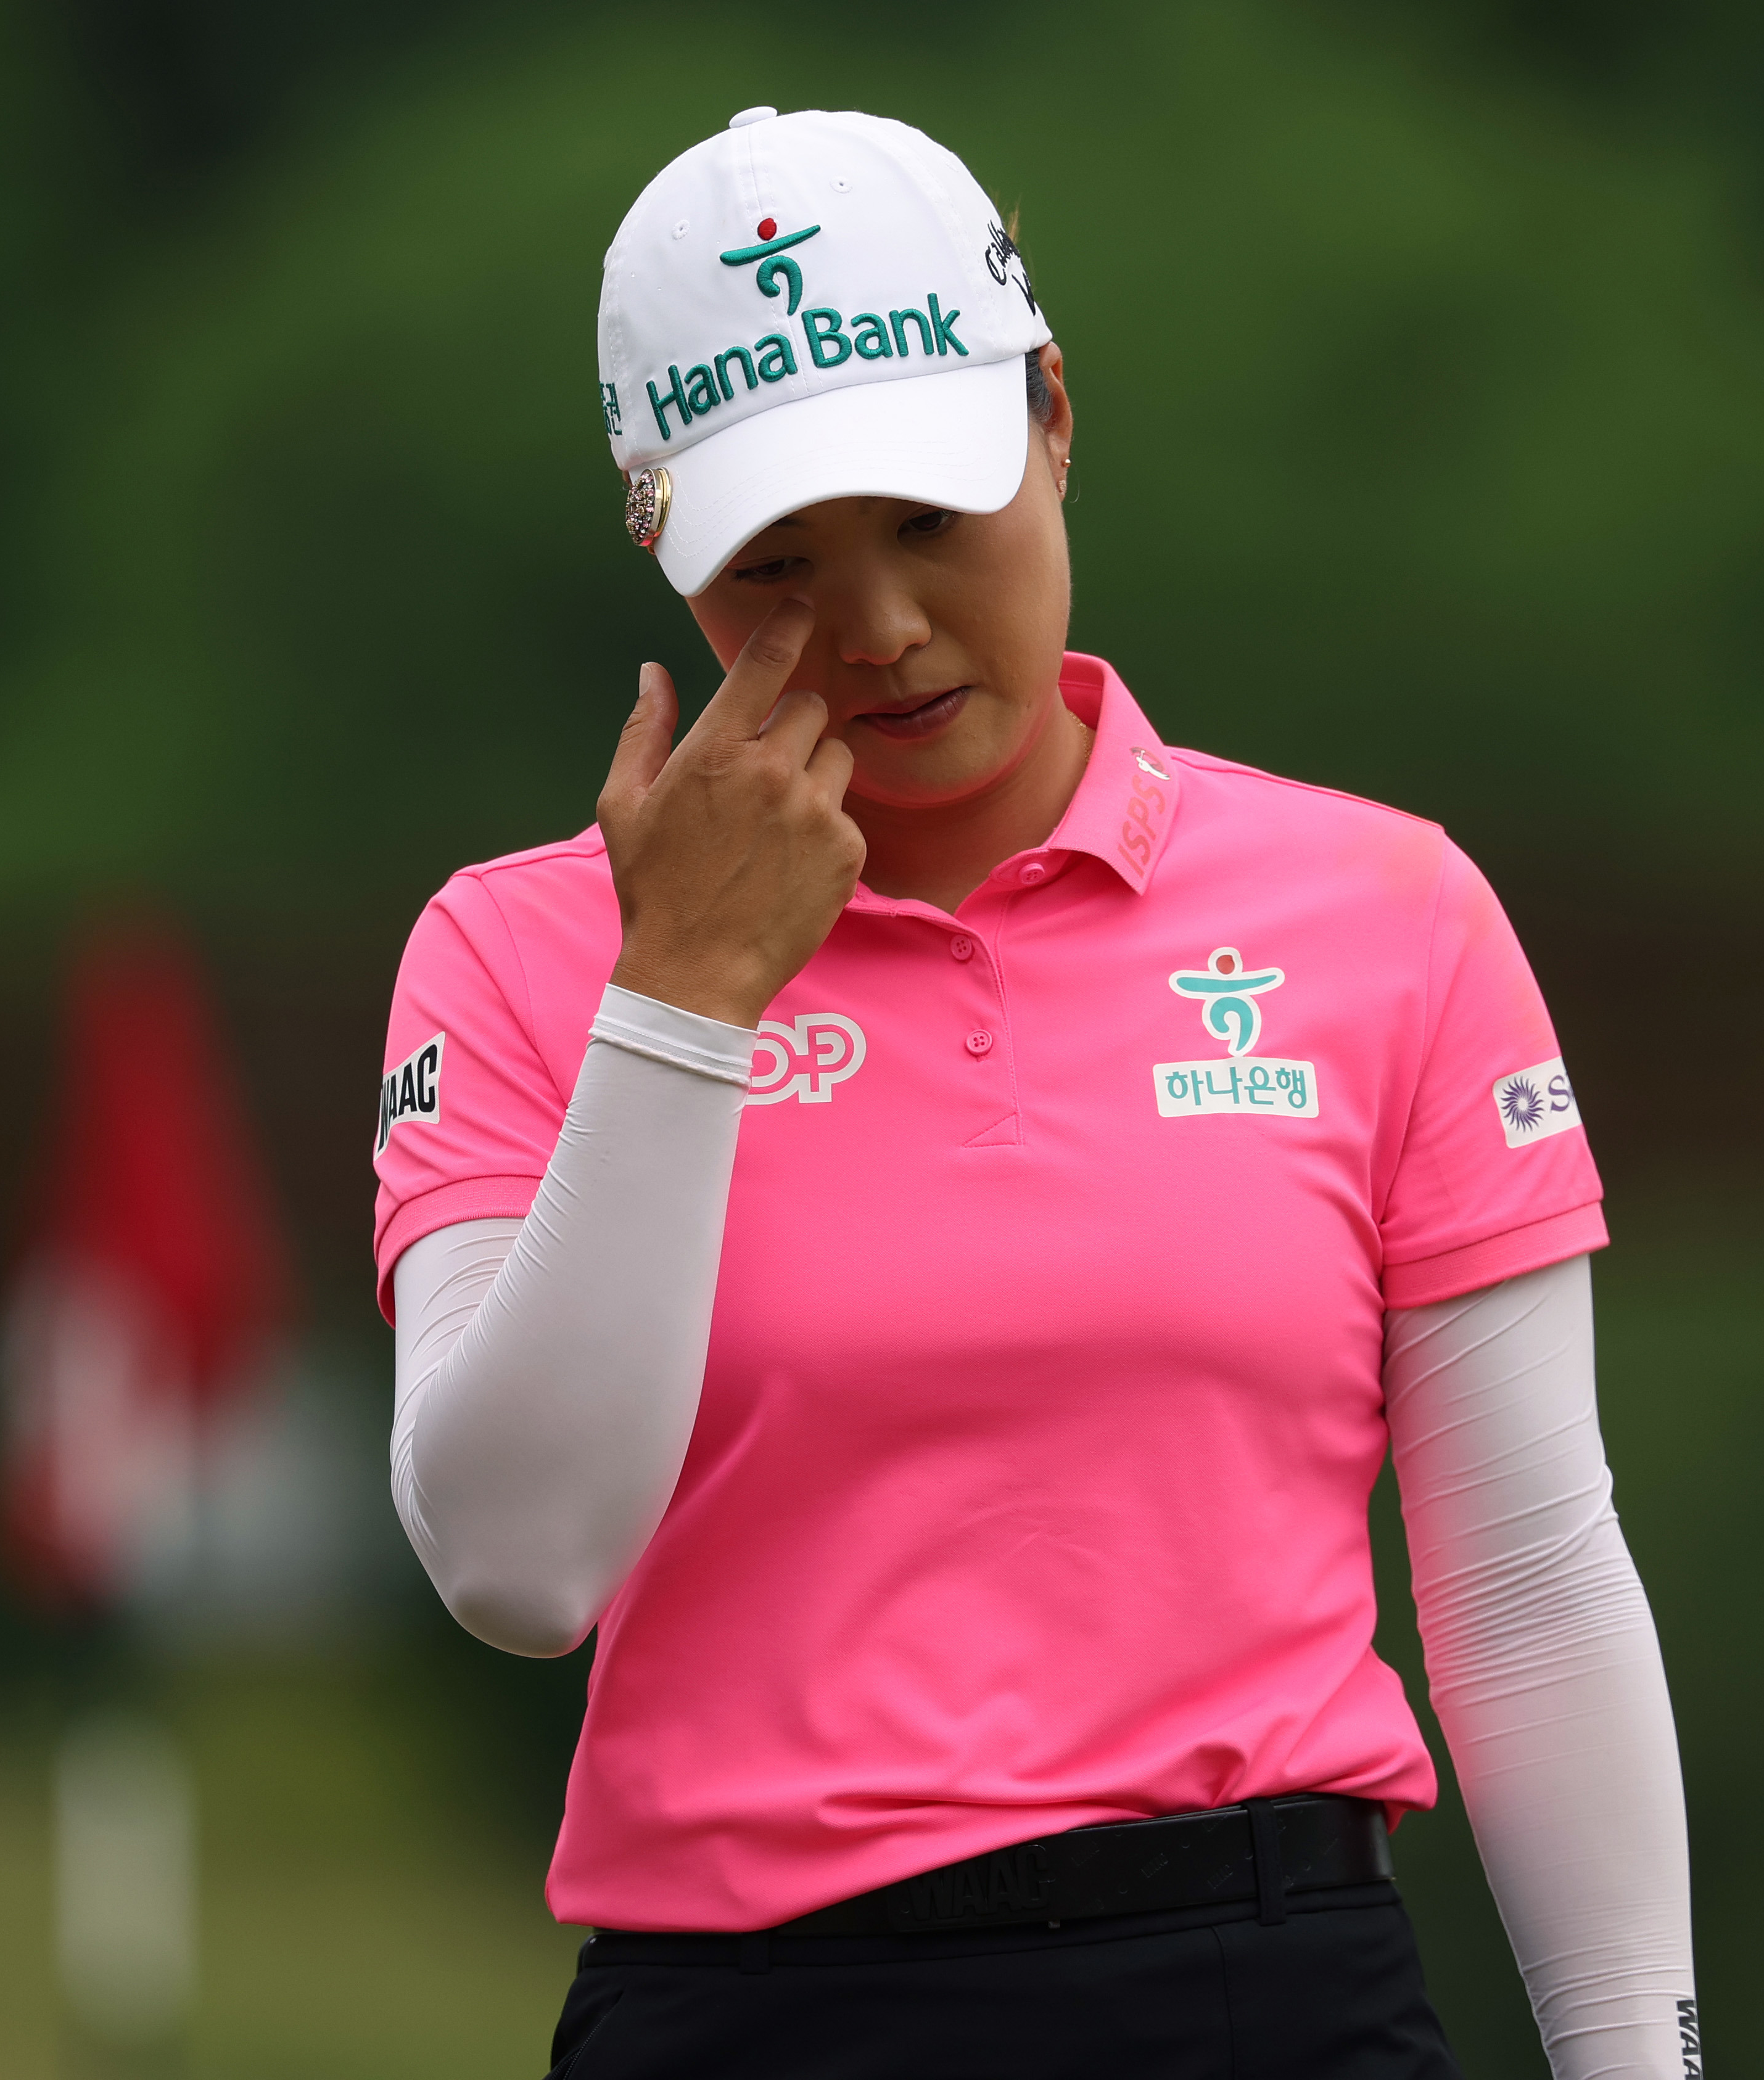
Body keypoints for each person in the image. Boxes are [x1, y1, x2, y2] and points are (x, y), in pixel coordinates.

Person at [373, 105, 1693, 2080]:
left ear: (1051, 417)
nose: (882, 627)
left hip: (1266, 1985)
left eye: (927, 517)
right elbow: (514, 1564)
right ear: (661, 544)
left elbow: (1522, 1575)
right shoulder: (521, 955)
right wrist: (685, 997)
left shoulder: (1387, 911)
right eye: (780, 565)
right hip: (746, 2016)